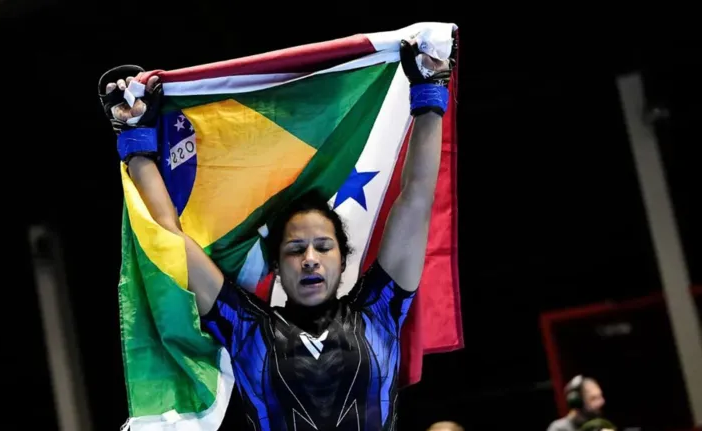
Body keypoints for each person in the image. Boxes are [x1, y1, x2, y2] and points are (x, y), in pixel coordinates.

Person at [98, 35, 456, 430]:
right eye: (295, 249)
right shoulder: (246, 329)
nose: (310, 259)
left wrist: (429, 91)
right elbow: (169, 238)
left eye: (323, 247)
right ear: (277, 267)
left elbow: (417, 198)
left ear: (342, 258)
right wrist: (134, 137)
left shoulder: (381, 311)